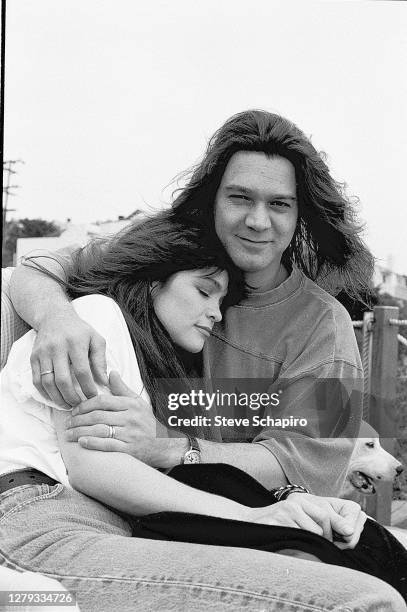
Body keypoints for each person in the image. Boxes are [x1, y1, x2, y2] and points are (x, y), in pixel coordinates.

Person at [4, 218, 406, 610]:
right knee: (364, 600)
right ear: (150, 280)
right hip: (41, 520)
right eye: (204, 291)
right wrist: (257, 516)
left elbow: (301, 455)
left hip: (107, 526)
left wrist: (294, 505)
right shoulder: (94, 316)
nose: (217, 313)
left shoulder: (160, 367)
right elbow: (95, 467)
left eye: (222, 300)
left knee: (357, 574)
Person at [10, 110, 374, 496]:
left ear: (301, 214)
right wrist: (58, 319)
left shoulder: (325, 326)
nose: (257, 220)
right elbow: (35, 269)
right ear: (213, 200)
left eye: (279, 205)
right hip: (109, 499)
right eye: (240, 198)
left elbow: (303, 465)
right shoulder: (176, 260)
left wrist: (163, 445)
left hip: (252, 520)